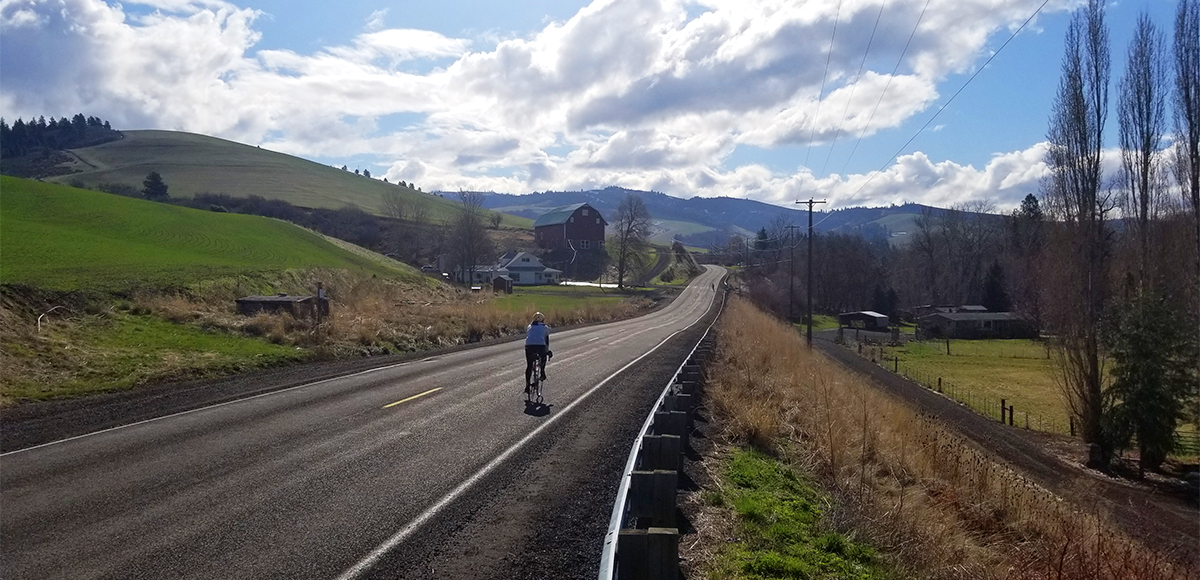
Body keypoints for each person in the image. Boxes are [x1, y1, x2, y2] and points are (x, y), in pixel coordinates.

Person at [524, 312, 550, 393]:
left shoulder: (529, 326)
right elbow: (546, 341)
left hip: (529, 346)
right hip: (540, 346)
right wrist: (547, 351)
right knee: (543, 357)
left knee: (529, 365)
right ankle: (542, 372)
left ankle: (527, 385)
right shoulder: (545, 327)